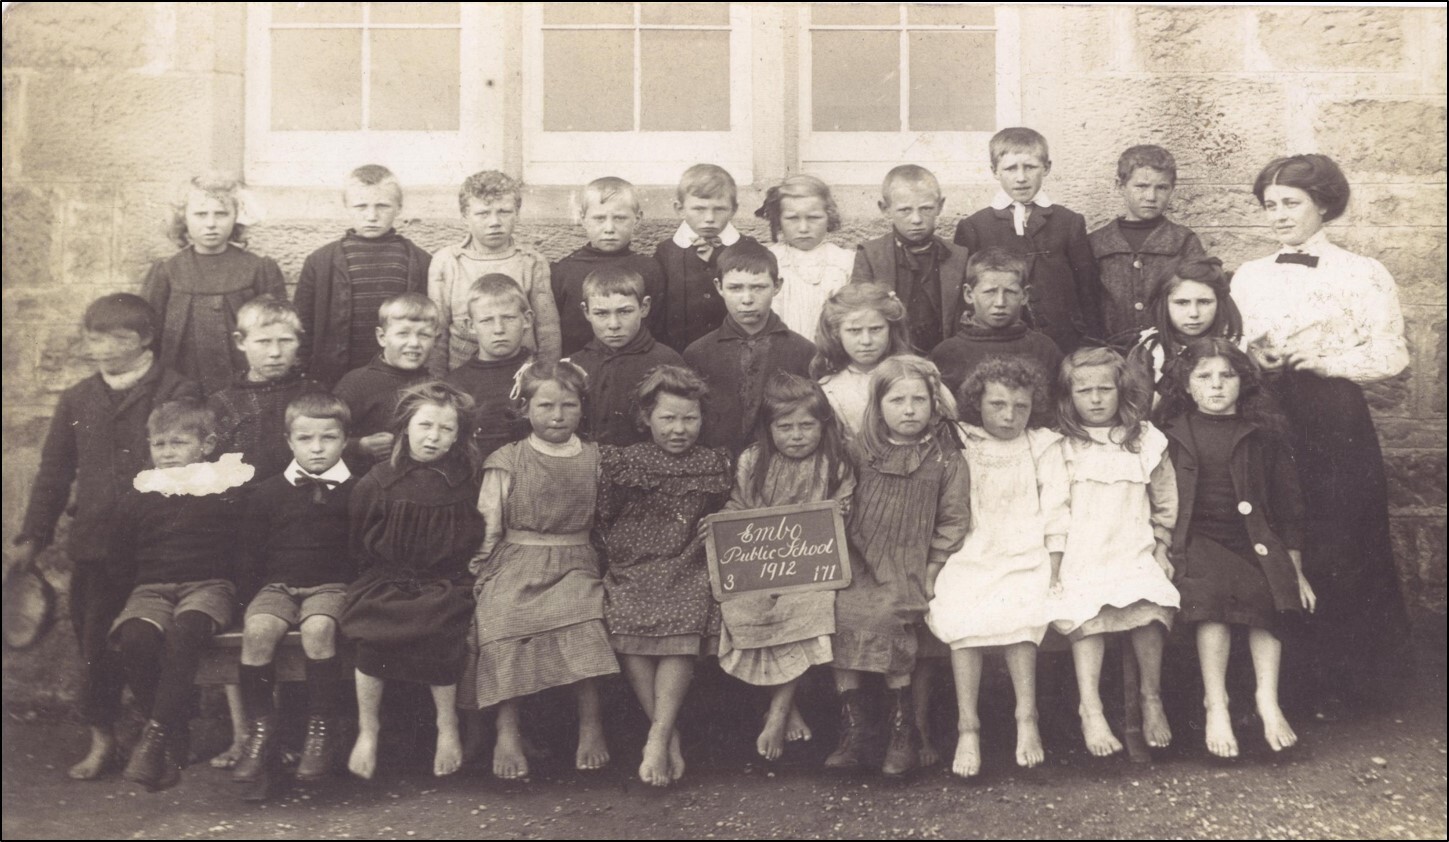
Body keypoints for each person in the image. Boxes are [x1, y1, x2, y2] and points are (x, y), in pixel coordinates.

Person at [1232, 153, 1410, 720]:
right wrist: (1252, 355)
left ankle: (1357, 686)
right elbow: (1232, 347)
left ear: (1324, 205)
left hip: (1334, 420)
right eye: (1270, 206)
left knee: (1341, 539)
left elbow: (1392, 354)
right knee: (1280, 534)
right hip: (1266, 413)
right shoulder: (1249, 275)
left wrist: (1328, 360)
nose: (1278, 216)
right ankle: (1287, 687)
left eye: (1291, 204)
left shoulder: (1362, 272)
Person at [12, 294, 200, 781]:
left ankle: (165, 736)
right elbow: (54, 473)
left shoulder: (178, 390)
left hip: (160, 546)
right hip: (96, 547)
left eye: (114, 339)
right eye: (93, 338)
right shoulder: (78, 398)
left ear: (144, 340)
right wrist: (32, 537)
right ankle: (104, 740)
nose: (100, 349)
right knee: (95, 644)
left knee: (152, 641)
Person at [1156, 338, 1317, 757]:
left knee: (1269, 591)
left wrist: (1294, 570)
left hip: (1253, 540)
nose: (1216, 386)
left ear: (1243, 382)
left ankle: (1268, 699)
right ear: (1186, 385)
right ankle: (1217, 703)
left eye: (1227, 376)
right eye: (1203, 377)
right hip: (1196, 540)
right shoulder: (1169, 434)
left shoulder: (1263, 435)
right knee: (1211, 600)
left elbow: (1290, 505)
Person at [460, 361, 619, 780]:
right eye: (546, 405)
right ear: (525, 408)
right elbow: (489, 525)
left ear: (582, 409)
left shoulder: (596, 458)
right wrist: (480, 573)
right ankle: (506, 727)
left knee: (586, 620)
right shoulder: (508, 459)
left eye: (568, 405)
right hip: (516, 560)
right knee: (503, 617)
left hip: (576, 561)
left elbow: (605, 523)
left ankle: (591, 724)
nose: (557, 415)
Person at [826, 356, 970, 778]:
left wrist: (931, 570)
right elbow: (840, 502)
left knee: (890, 615)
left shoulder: (946, 459)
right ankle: (853, 730)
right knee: (840, 609)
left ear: (933, 405)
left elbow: (953, 519)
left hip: (909, 562)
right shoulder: (858, 451)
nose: (909, 410)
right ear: (878, 405)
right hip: (859, 558)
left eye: (919, 400)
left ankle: (902, 729)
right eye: (897, 400)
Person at [926, 357, 1068, 778]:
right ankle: (967, 725)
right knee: (960, 613)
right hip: (970, 549)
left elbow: (1057, 509)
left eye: (1020, 406)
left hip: (1026, 552)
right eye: (998, 405)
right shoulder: (962, 439)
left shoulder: (1042, 444)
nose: (1009, 416)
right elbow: (935, 396)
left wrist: (1055, 568)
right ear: (978, 403)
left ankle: (1027, 718)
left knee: (1022, 616)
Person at [339, 382, 485, 780]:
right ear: (405, 427)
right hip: (386, 580)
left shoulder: (464, 483)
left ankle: (447, 726)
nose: (433, 437)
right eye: (425, 426)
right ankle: (368, 731)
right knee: (372, 635)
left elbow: (474, 536)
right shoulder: (378, 480)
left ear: (458, 436)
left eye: (445, 429)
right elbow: (359, 540)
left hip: (444, 582)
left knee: (442, 629)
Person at [596, 366, 732, 786]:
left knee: (686, 616)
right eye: (667, 419)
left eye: (689, 419)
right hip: (634, 564)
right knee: (625, 619)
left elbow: (736, 509)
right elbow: (603, 515)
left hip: (688, 561)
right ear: (646, 419)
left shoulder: (713, 463)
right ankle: (666, 735)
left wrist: (724, 517)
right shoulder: (624, 461)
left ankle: (657, 734)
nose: (679, 429)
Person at [713, 373, 855, 761]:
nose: (796, 435)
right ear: (769, 427)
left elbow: (843, 514)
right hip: (760, 568)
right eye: (785, 426)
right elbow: (738, 508)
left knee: (807, 609)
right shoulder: (753, 461)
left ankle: (778, 710)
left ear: (822, 425)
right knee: (745, 610)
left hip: (810, 571)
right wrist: (722, 527)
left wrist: (840, 512)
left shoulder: (834, 464)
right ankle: (787, 706)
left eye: (807, 425)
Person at [1046, 347, 1178, 758]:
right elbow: (1054, 510)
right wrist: (1054, 566)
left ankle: (1151, 698)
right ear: (1069, 397)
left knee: (1152, 604)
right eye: (1085, 391)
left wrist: (1162, 547)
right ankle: (1092, 707)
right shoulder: (1062, 446)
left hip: (1133, 549)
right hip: (1082, 554)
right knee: (1086, 613)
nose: (1097, 398)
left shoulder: (1144, 440)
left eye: (1106, 389)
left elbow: (1165, 502)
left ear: (1122, 391)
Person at [111, 400, 250, 791]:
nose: (168, 453)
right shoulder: (139, 495)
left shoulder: (225, 489)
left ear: (206, 445)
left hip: (208, 585)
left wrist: (239, 601)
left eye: (178, 443)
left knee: (186, 631)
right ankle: (173, 735)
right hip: (152, 588)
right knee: (135, 637)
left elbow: (244, 550)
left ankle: (156, 738)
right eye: (159, 444)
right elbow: (120, 557)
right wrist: (128, 601)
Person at [232, 393, 358, 794]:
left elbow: (362, 552)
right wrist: (248, 604)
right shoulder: (267, 493)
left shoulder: (358, 491)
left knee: (319, 629)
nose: (317, 448)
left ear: (345, 440)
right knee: (258, 632)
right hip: (278, 586)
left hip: (331, 585)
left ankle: (319, 730)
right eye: (306, 439)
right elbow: (250, 554)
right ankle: (260, 730)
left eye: (328, 438)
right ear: (289, 441)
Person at [953, 128, 1102, 353]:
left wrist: (1091, 340)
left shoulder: (1069, 222)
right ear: (995, 171)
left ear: (1047, 168)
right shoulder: (974, 226)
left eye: (1030, 167)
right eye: (1011, 168)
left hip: (1063, 339)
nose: (1021, 178)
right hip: (998, 340)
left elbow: (1087, 290)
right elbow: (967, 297)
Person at [143, 173, 285, 393]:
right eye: (200, 214)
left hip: (244, 383)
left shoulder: (259, 269)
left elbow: (277, 331)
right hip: (182, 382)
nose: (211, 224)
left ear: (236, 217)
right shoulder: (167, 271)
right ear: (184, 218)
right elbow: (150, 336)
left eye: (221, 214)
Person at [294, 164, 432, 388]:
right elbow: (302, 326)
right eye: (361, 206)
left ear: (399, 207)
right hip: (336, 380)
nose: (372, 216)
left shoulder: (419, 261)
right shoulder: (320, 262)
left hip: (402, 381)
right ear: (346, 206)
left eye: (383, 206)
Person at [684, 242, 815, 454]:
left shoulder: (803, 351)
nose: (747, 299)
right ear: (719, 287)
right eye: (735, 288)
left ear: (777, 286)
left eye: (758, 287)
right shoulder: (698, 353)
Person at [429, 170, 561, 373]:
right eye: (483, 213)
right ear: (465, 216)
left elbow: (547, 330)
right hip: (463, 375)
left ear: (517, 212)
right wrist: (438, 382)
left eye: (504, 212)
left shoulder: (531, 261)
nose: (494, 222)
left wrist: (546, 377)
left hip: (522, 374)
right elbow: (437, 331)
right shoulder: (447, 262)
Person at [1089, 145, 1206, 345]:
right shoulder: (1096, 242)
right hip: (1111, 350)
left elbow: (1198, 295)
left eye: (1161, 187)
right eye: (1141, 186)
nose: (1151, 197)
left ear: (1172, 189)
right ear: (1120, 185)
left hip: (1169, 349)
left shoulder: (1183, 240)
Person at [851, 165, 970, 353]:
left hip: (946, 357)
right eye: (905, 210)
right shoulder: (871, 255)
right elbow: (858, 315)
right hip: (890, 358)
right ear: (885, 209)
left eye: (926, 209)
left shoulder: (958, 256)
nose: (916, 219)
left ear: (940, 206)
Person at [208, 295, 325, 483]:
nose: (275, 353)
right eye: (263, 342)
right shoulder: (222, 403)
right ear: (240, 342)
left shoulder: (315, 394)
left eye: (286, 341)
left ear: (299, 341)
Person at [566, 264, 684, 445]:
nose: (614, 324)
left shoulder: (667, 361)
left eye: (624, 311)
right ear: (586, 311)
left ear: (644, 307)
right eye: (601, 313)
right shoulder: (573, 365)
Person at [552, 177, 667, 356]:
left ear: (637, 219)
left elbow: (658, 327)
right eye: (599, 218)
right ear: (583, 219)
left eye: (620, 218)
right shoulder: (563, 271)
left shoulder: (650, 269)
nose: (609, 228)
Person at [928, 247, 1063, 396]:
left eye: (1010, 292)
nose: (1000, 302)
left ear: (1024, 295)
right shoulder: (948, 352)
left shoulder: (1044, 349)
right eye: (990, 292)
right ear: (968, 294)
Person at [653, 163, 761, 351]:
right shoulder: (666, 253)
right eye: (699, 209)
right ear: (680, 209)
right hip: (681, 353)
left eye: (719, 209)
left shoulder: (747, 248)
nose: (709, 218)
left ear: (734, 209)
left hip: (736, 352)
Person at [332, 293, 437, 468]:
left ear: (435, 339)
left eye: (424, 335)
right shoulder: (357, 383)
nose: (414, 343)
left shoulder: (434, 385)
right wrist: (360, 445)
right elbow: (324, 434)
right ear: (382, 337)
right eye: (403, 333)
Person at [441, 275, 534, 460]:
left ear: (527, 319)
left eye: (508, 318)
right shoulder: (456, 383)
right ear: (470, 325)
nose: (498, 329)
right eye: (487, 320)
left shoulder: (541, 373)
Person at [1127, 257, 1243, 400]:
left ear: (1219, 303)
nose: (1194, 313)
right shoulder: (1151, 352)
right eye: (1182, 303)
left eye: (1204, 302)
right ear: (1164, 304)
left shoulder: (1236, 346)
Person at [754, 174, 855, 338]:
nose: (803, 228)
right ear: (778, 220)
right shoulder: (768, 260)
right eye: (792, 218)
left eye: (814, 218)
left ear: (829, 217)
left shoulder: (844, 262)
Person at [811, 282, 913, 438]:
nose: (866, 341)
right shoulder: (829, 389)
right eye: (854, 331)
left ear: (891, 329)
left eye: (876, 329)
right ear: (836, 333)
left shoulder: (915, 377)